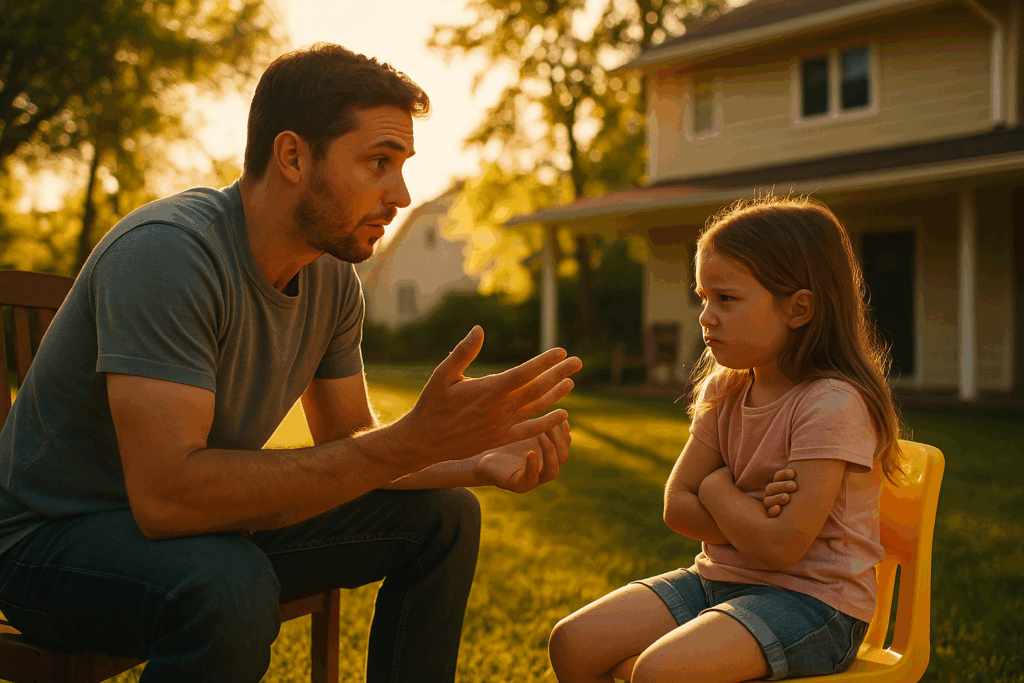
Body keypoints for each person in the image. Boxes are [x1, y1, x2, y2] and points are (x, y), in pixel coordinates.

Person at [0, 43, 582, 683]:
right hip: (49, 545)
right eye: (379, 162)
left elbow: (346, 438)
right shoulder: (169, 255)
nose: (402, 193)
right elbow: (166, 498)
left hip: (201, 528)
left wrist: (471, 459)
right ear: (294, 156)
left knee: (444, 514)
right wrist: (409, 442)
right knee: (230, 585)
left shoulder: (331, 278)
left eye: (403, 165)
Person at [547, 195, 904, 683]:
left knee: (660, 672)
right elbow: (676, 506)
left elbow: (780, 549)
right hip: (719, 580)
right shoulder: (727, 387)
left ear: (799, 309)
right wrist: (750, 515)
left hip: (815, 605)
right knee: (574, 643)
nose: (705, 316)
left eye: (727, 298)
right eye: (703, 297)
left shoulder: (831, 404)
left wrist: (716, 489)